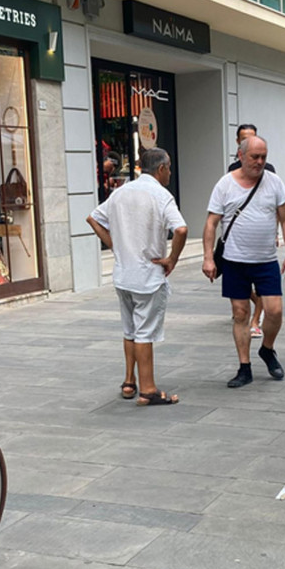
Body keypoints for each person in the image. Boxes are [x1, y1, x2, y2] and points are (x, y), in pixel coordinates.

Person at [88, 147, 187, 405]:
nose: (171, 173)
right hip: (147, 275)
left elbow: (93, 218)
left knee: (130, 329)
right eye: (170, 168)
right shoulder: (161, 196)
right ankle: (148, 389)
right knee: (144, 332)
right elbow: (182, 229)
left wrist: (115, 245)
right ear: (162, 168)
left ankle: (129, 382)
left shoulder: (121, 192)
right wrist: (172, 260)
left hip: (123, 273)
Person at [203, 134, 285, 387]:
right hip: (234, 261)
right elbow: (211, 222)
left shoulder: (274, 182)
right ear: (241, 155)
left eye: (264, 157)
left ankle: (267, 349)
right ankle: (244, 367)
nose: (260, 161)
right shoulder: (224, 185)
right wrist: (208, 257)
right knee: (240, 313)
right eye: (255, 156)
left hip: (265, 260)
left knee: (275, 311)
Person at [226, 124, 276, 338]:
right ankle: (247, 316)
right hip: (236, 248)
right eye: (245, 138)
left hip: (262, 249)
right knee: (242, 294)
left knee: (268, 296)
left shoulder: (269, 171)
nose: (259, 161)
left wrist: (274, 233)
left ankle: (256, 319)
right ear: (239, 144)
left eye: (253, 137)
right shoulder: (230, 172)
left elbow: (275, 207)